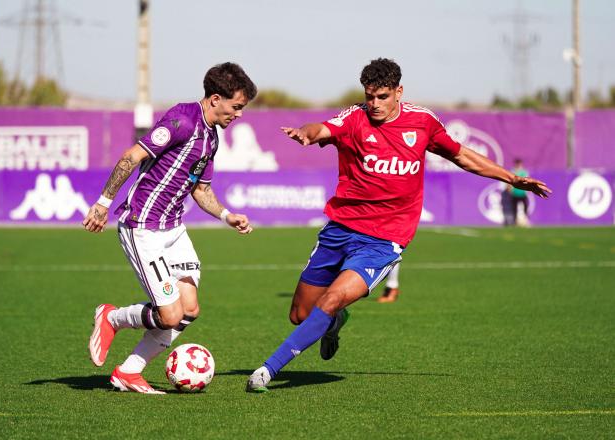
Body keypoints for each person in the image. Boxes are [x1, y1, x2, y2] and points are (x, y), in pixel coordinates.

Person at [246, 58, 551, 392]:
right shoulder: (354, 117)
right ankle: (334, 324)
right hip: (339, 229)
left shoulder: (422, 122)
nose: (374, 104)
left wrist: (511, 178)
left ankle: (267, 370)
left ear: (399, 92)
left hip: (383, 241)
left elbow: (462, 155)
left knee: (331, 299)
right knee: (301, 315)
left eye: (383, 97)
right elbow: (323, 128)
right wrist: (305, 133)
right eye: (370, 96)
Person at [83, 62, 257, 394]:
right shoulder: (182, 120)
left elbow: (201, 190)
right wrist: (103, 203)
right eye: (236, 106)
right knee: (169, 314)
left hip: (174, 230)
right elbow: (131, 156)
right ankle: (112, 318)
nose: (239, 114)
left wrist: (226, 216)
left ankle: (129, 372)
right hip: (143, 227)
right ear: (216, 98)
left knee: (189, 309)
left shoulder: (211, 139)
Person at [510, 158, 530, 226]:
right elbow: (509, 182)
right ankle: (515, 222)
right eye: (517, 163)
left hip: (522, 193)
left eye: (519, 163)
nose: (518, 165)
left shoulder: (524, 172)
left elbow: (528, 181)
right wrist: (510, 189)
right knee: (514, 208)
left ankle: (526, 220)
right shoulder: (512, 171)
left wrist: (528, 190)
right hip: (515, 193)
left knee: (525, 207)